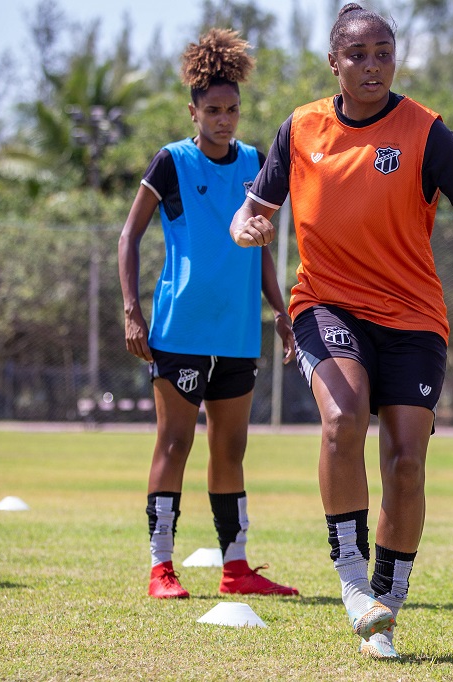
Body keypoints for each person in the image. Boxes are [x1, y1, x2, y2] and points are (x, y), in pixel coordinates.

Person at [228, 3, 453, 658]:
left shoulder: (426, 132)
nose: (373, 66)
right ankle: (350, 580)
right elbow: (251, 213)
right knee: (342, 419)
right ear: (334, 63)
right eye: (359, 55)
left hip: (413, 317)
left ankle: (386, 603)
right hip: (325, 303)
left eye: (384, 53)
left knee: (405, 458)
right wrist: (247, 226)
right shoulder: (302, 128)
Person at [118, 28, 298, 599]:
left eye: (233, 110)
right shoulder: (171, 162)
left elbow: (262, 248)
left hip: (239, 334)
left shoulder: (255, 162)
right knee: (174, 445)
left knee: (231, 449)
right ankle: (161, 568)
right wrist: (131, 310)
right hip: (182, 329)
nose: (225, 119)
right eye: (214, 110)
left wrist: (281, 308)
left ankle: (236, 567)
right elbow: (129, 236)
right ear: (192, 110)